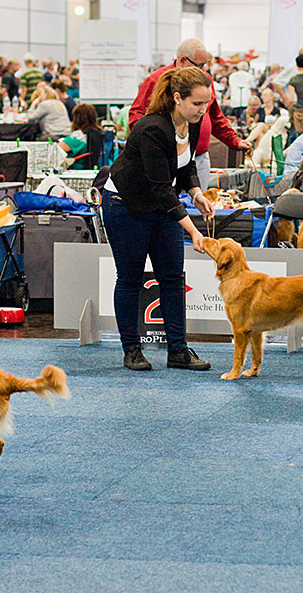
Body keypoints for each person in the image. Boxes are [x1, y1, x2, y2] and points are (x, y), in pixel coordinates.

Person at [102, 67, 216, 372]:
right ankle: (132, 350)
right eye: (197, 104)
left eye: (206, 104)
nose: (203, 110)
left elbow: (186, 164)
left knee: (173, 278)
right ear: (177, 98)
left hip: (159, 207)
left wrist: (196, 192)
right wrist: (193, 230)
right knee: (129, 278)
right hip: (125, 206)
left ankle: (177, 350)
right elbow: (161, 187)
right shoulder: (152, 128)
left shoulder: (193, 122)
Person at [130, 38, 251, 187]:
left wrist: (235, 141)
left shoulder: (205, 80)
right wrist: (151, 151)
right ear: (182, 60)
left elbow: (215, 117)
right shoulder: (155, 81)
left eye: (205, 65)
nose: (204, 70)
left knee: (198, 204)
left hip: (198, 159)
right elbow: (136, 118)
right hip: (166, 161)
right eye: (199, 65)